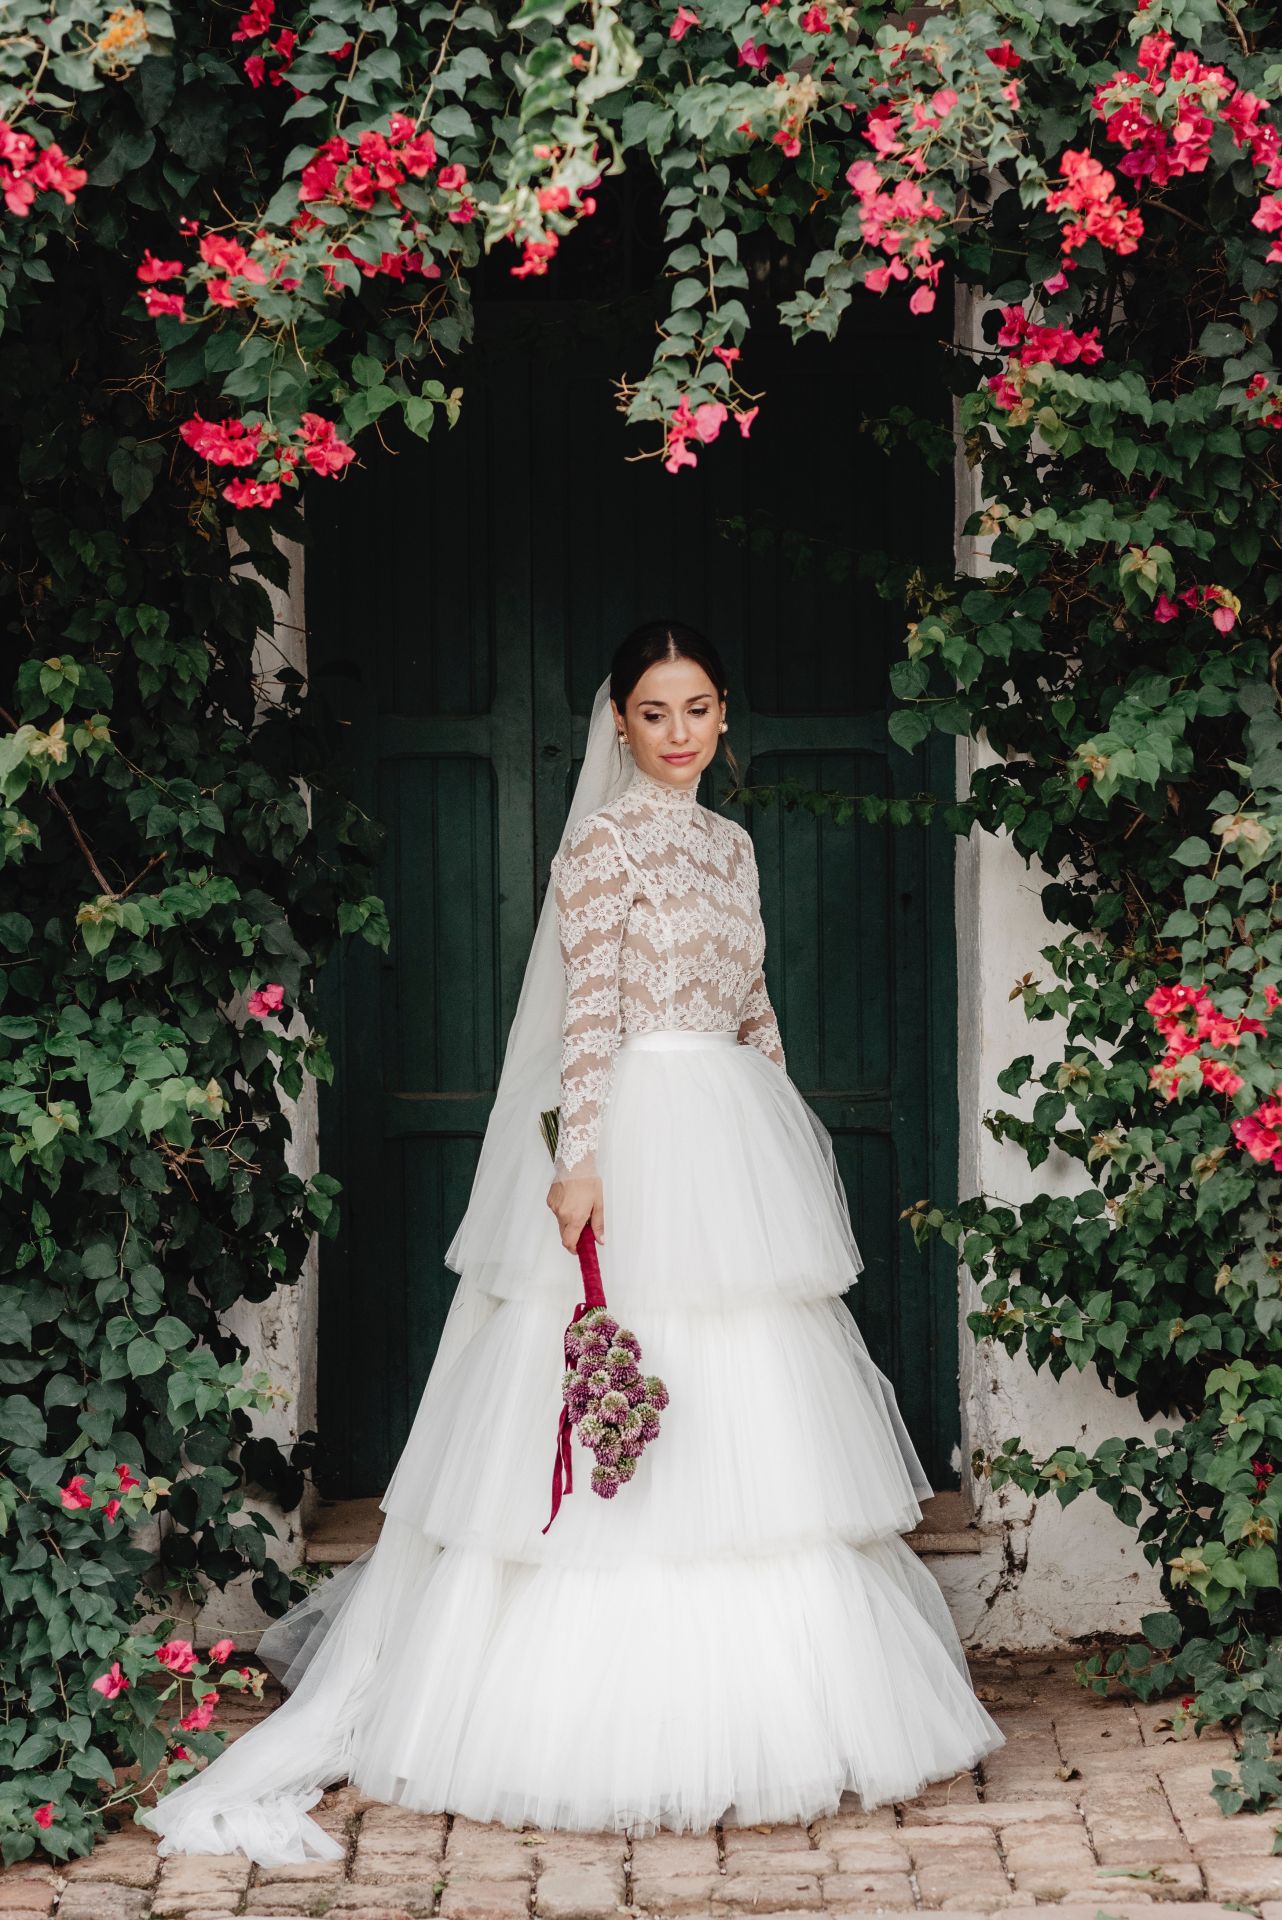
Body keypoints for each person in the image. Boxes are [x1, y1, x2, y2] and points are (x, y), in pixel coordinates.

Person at [138, 622, 1004, 1867]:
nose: (680, 734)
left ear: (723, 716)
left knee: (745, 1404)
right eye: (654, 713)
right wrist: (580, 1160)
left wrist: (783, 1135)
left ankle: (775, 1710)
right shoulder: (599, 849)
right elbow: (586, 1013)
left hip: (728, 1138)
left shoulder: (732, 845)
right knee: (620, 1374)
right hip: (635, 1134)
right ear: (618, 725)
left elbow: (754, 1000)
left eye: (698, 708)